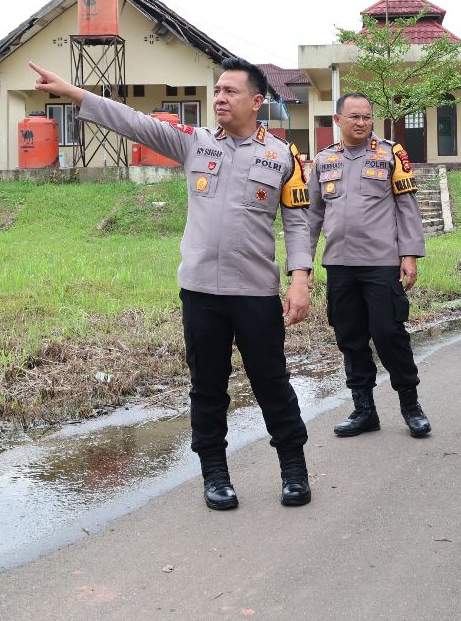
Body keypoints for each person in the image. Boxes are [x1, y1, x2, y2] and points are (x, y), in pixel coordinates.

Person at [27, 58, 315, 510]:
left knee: (272, 382)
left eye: (230, 92)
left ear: (257, 102)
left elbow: (298, 225)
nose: (219, 98)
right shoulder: (194, 143)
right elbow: (134, 122)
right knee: (207, 385)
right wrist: (75, 94)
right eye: (216, 90)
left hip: (256, 292)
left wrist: (301, 281)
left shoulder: (283, 156)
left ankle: (294, 469)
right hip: (201, 292)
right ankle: (215, 474)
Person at [306, 92, 430, 439]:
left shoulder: (391, 154)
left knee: (389, 334)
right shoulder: (323, 161)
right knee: (350, 338)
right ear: (338, 120)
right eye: (354, 117)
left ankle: (410, 405)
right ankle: (364, 410)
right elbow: (313, 215)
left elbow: (407, 207)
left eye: (367, 117)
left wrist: (409, 255)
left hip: (380, 263)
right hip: (340, 266)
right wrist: (304, 263)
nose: (361, 122)